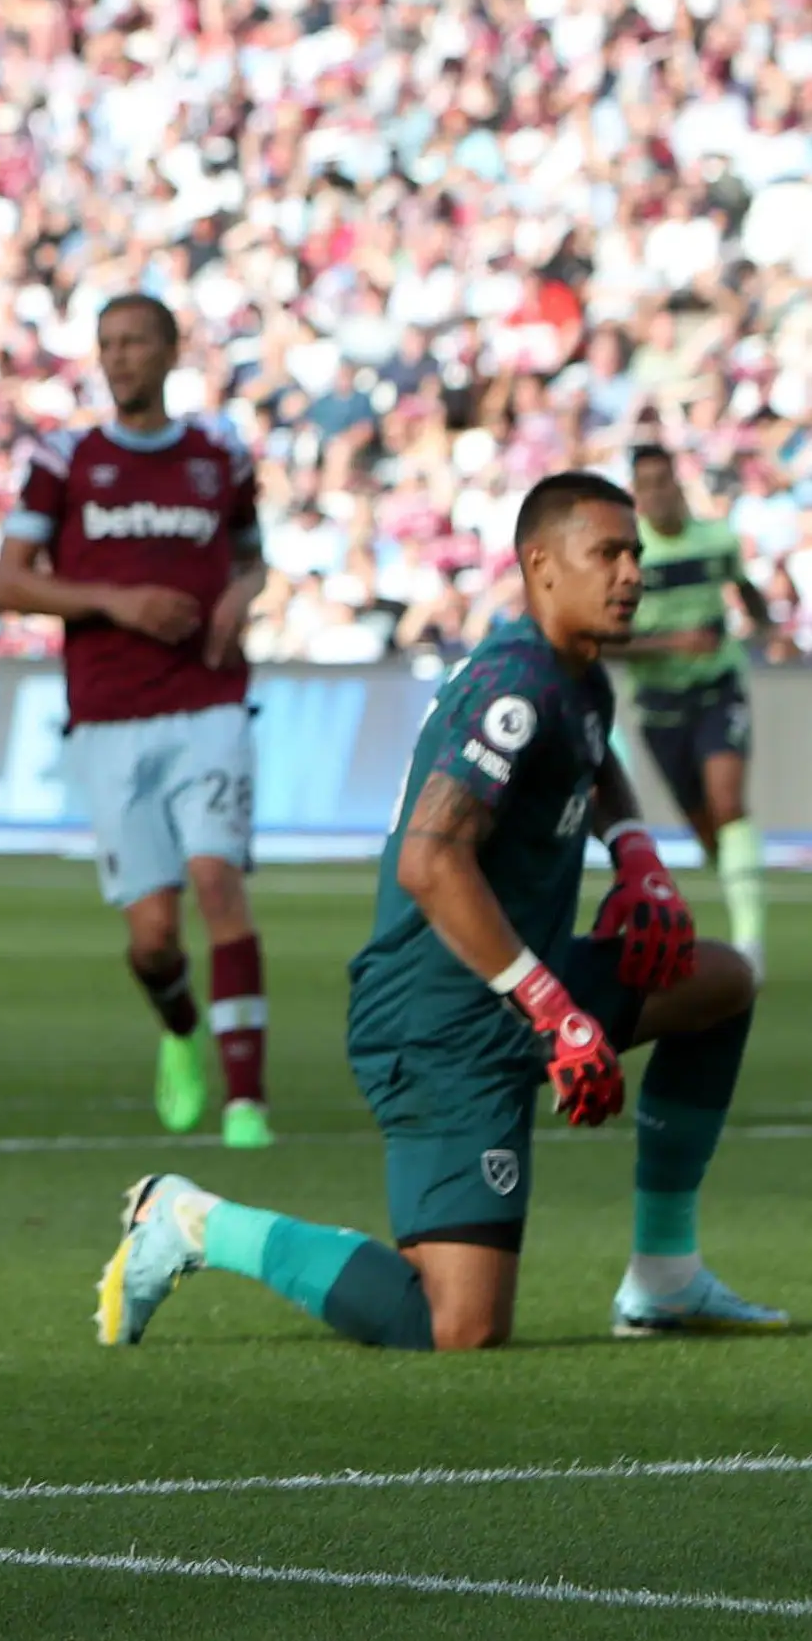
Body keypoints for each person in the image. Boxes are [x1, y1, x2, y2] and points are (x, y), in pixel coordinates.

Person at [100, 472, 782, 1350]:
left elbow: (592, 755)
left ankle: (663, 1276)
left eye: (635, 555)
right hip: (439, 1020)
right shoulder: (512, 683)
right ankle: (190, 1219)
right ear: (540, 563)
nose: (630, 574)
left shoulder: (576, 673)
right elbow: (430, 859)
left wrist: (637, 853)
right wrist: (551, 1009)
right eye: (606, 553)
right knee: (457, 1325)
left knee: (721, 980)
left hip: (522, 979)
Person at [0, 295, 275, 1149]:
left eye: (134, 342)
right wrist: (117, 601)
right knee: (153, 938)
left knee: (218, 880)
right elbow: (9, 581)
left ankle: (247, 1104)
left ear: (170, 350)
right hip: (109, 713)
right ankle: (181, 1025)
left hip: (210, 701)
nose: (118, 357)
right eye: (107, 344)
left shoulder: (218, 451)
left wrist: (237, 598)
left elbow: (255, 560)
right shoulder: (63, 457)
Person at [613, 444, 772, 975]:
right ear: (636, 495)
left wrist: (770, 632)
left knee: (729, 805)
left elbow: (744, 588)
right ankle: (727, 873)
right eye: (646, 485)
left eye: (665, 481)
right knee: (707, 830)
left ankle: (751, 943)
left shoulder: (717, 540)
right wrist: (672, 643)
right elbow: (606, 640)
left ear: (678, 484)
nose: (657, 493)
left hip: (718, 689)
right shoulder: (628, 557)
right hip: (659, 707)